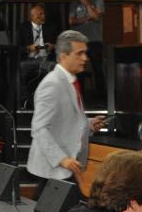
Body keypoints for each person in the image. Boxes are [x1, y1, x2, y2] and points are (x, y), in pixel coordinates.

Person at [26, 30, 105, 199]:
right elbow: (39, 128)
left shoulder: (70, 81)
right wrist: (61, 159)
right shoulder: (52, 84)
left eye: (85, 53)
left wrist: (88, 124)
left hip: (67, 167)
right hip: (55, 167)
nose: (85, 58)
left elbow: (66, 117)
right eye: (79, 53)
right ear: (63, 56)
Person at [68, 0, 105, 106]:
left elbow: (97, 17)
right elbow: (71, 21)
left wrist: (86, 3)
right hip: (79, 41)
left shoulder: (97, 0)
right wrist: (88, 17)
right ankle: (80, 98)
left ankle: (102, 99)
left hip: (95, 40)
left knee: (98, 69)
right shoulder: (74, 4)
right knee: (79, 69)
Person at [18, 3, 57, 107]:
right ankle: (25, 100)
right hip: (29, 60)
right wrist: (28, 48)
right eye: (40, 14)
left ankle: (52, 101)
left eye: (43, 14)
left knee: (56, 68)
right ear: (32, 16)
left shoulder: (51, 27)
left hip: (46, 59)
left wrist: (53, 46)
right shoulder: (23, 27)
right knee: (20, 68)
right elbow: (17, 47)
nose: (43, 16)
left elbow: (60, 44)